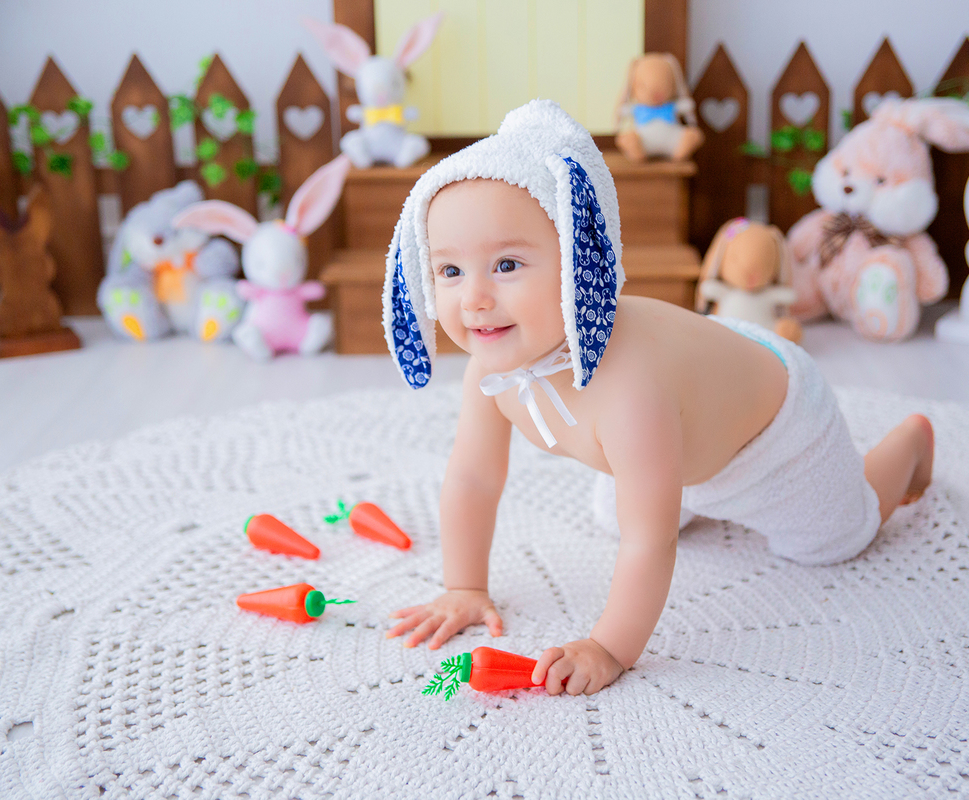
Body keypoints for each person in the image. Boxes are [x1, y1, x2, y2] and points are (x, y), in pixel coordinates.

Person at [381, 100, 933, 696]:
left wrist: (609, 647)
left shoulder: (629, 392)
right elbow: (472, 479)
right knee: (617, 512)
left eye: (506, 264)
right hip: (692, 403)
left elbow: (653, 538)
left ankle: (904, 448)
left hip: (769, 429)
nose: (475, 300)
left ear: (576, 262)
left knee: (832, 540)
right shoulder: (494, 371)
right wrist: (464, 586)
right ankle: (687, 481)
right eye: (450, 272)